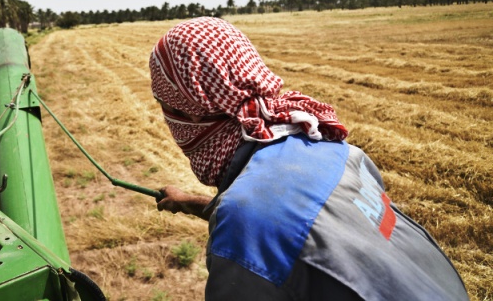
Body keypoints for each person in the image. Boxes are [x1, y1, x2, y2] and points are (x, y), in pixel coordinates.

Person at [150, 17, 469, 301]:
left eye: (166, 106)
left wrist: (229, 217)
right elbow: (297, 225)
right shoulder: (339, 151)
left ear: (190, 112)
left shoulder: (246, 224)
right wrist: (193, 203)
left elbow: (263, 226)